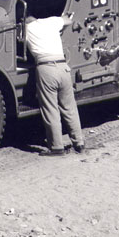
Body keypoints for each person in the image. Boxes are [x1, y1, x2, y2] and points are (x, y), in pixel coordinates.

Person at [25, 11, 84, 156]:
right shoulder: (50, 21)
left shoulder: (25, 29)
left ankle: (57, 147)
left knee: (51, 109)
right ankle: (79, 143)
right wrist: (65, 17)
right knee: (70, 108)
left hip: (46, 68)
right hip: (63, 67)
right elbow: (68, 21)